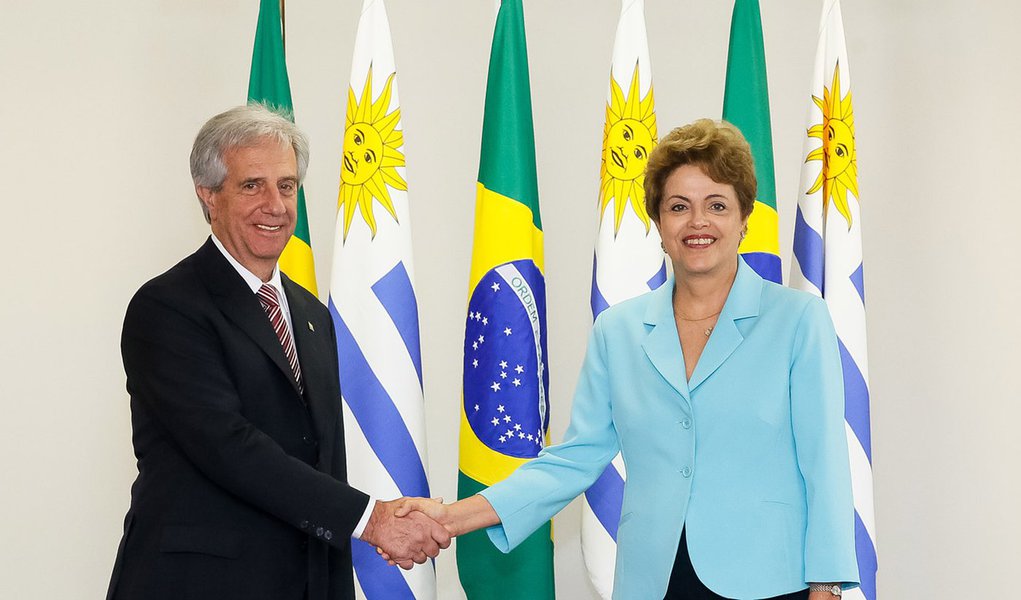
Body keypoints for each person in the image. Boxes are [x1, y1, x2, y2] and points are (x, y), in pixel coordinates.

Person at [394, 120, 859, 599]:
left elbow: (824, 463)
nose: (698, 222)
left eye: (716, 205)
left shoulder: (798, 319)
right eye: (679, 207)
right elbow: (573, 459)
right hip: (651, 582)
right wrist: (451, 517)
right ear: (659, 224)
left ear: (743, 218)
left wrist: (826, 586)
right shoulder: (617, 331)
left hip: (768, 582)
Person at [106, 104, 448, 600]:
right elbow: (229, 447)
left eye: (286, 186)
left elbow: (324, 457)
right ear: (208, 195)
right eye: (252, 185)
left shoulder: (311, 314)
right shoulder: (167, 308)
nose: (276, 205)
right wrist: (371, 519)